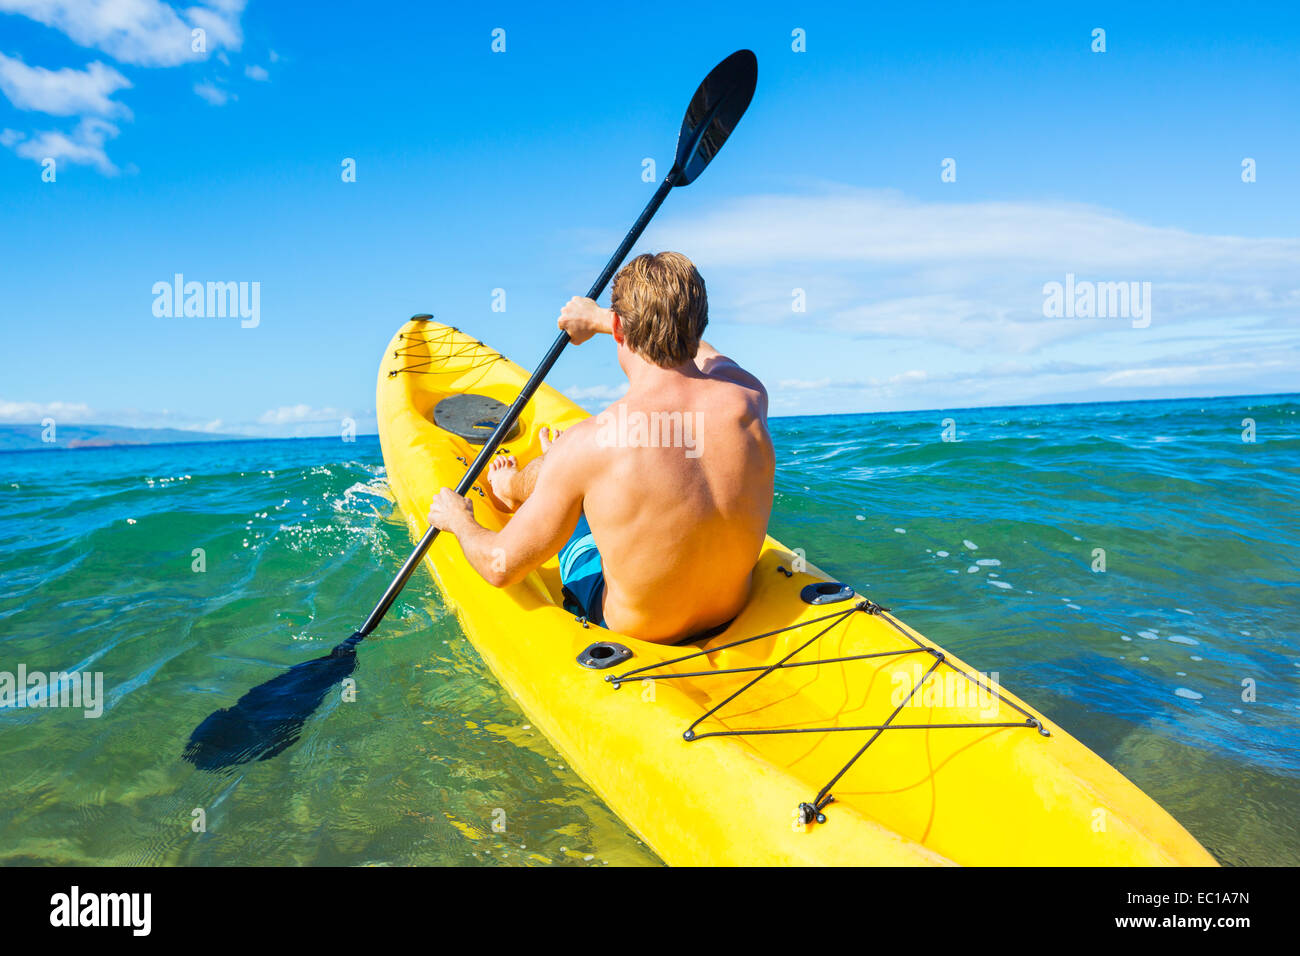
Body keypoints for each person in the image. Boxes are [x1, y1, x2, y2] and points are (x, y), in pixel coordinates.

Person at [426, 251, 774, 644]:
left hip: (638, 630)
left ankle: (517, 485)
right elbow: (703, 351)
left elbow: (498, 566)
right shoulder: (747, 394)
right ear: (700, 321)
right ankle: (543, 475)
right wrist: (601, 319)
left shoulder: (593, 441)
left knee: (575, 481)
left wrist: (459, 519)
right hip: (730, 610)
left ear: (620, 329)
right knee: (582, 470)